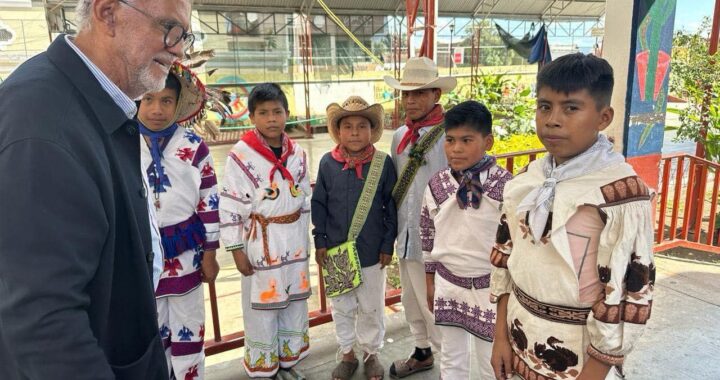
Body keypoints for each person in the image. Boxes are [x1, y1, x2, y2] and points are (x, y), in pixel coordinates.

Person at [0, 0, 193, 378]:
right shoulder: (39, 120)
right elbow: (45, 324)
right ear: (108, 14)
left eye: (185, 35)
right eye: (169, 28)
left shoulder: (89, 102)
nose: (180, 48)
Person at [490, 53, 656, 380]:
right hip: (519, 340)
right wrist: (500, 337)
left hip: (580, 362)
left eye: (571, 108)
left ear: (603, 117)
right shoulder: (527, 179)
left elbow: (624, 296)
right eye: (544, 106)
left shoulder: (620, 195)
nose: (552, 120)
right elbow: (506, 257)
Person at [219, 83, 311, 380]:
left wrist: (307, 239)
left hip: (294, 240)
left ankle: (287, 363)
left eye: (277, 111)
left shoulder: (296, 152)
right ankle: (265, 370)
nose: (271, 118)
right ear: (252, 117)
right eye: (263, 113)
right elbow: (231, 205)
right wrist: (235, 251)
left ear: (287, 113)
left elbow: (304, 197)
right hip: (262, 242)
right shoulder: (241, 155)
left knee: (293, 304)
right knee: (263, 309)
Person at [138, 63, 220, 380]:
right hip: (143, 255)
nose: (157, 109)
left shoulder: (193, 146)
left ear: (177, 104)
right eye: (148, 99)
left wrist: (211, 253)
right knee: (149, 325)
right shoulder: (123, 144)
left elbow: (210, 201)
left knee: (188, 324)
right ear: (137, 101)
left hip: (187, 253)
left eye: (166, 101)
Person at [421, 101, 512, 379]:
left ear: (487, 141)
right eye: (450, 140)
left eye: (466, 140)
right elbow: (428, 234)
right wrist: (430, 281)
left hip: (490, 289)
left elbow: (512, 245)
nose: (456, 148)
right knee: (451, 358)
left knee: (491, 363)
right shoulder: (437, 184)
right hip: (449, 284)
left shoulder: (506, 187)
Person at [312, 96, 398, 380]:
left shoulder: (382, 164)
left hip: (372, 251)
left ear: (371, 130)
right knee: (342, 306)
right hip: (336, 251)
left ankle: (371, 353)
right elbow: (319, 205)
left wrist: (387, 244)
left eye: (362, 126)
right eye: (347, 126)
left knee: (371, 306)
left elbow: (390, 206)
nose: (354, 132)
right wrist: (320, 241)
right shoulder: (327, 163)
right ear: (338, 131)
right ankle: (347, 353)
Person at [383, 56, 456, 378]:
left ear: (436, 95)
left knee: (436, 304)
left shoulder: (451, 135)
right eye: (406, 94)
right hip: (406, 232)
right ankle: (422, 351)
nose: (410, 100)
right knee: (411, 299)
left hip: (440, 237)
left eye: (420, 93)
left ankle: (450, 367)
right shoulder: (399, 136)